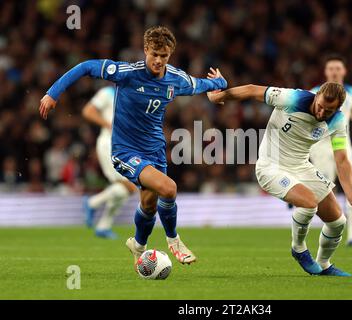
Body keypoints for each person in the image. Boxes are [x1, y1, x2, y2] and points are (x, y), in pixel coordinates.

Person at [39, 26, 227, 270]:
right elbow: (85, 66)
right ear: (146, 50)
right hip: (125, 151)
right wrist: (52, 94)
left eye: (164, 56)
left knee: (149, 206)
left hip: (155, 152)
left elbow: (203, 84)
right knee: (169, 189)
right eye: (155, 54)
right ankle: (174, 241)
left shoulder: (176, 79)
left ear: (170, 54)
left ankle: (138, 245)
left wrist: (220, 82)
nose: (159, 60)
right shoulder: (126, 73)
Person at [207, 82, 352, 276]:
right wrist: (220, 97)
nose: (321, 113)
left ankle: (324, 265)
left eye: (328, 111)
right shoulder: (292, 98)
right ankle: (299, 249)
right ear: (316, 95)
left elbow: (342, 159)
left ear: (337, 109)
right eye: (320, 106)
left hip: (302, 167)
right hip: (271, 167)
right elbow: (252, 90)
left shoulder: (337, 121)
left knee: (338, 221)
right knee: (309, 203)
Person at [309, 55, 352, 248]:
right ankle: (331, 230)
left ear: (344, 71)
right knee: (327, 191)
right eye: (331, 68)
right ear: (326, 72)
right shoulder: (315, 92)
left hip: (343, 144)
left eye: (338, 68)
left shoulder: (350, 91)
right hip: (321, 146)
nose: (335, 71)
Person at [81, 86, 137, 239]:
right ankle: (93, 203)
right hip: (109, 144)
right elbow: (88, 111)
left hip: (125, 147)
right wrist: (109, 125)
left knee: (125, 189)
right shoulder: (107, 93)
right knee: (130, 185)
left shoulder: (135, 94)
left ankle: (103, 225)